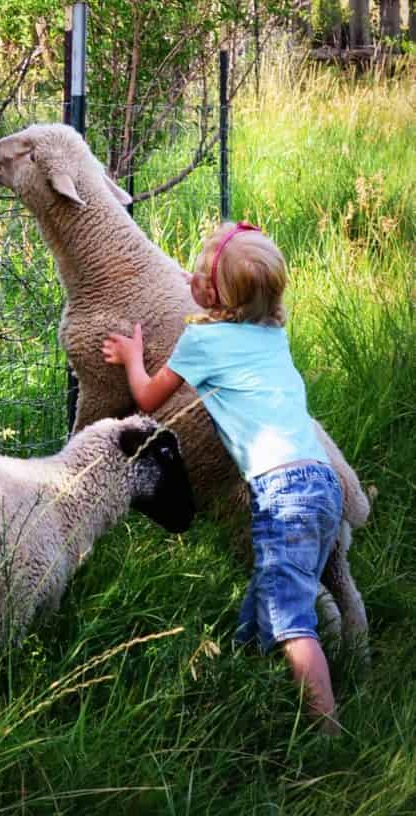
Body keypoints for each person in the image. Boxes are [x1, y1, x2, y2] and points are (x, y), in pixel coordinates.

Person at [102, 221, 343, 734]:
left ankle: (328, 733)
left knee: (291, 623)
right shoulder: (271, 334)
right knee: (269, 593)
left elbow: (149, 397)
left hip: (282, 493)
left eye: (197, 272)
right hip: (321, 482)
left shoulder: (202, 340)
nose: (188, 275)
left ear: (211, 294)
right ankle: (235, 686)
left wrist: (130, 358)